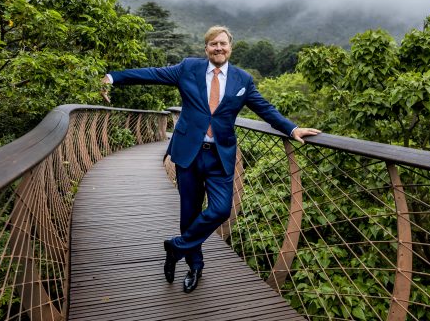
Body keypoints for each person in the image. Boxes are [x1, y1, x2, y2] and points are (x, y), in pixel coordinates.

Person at [100, 25, 320, 293]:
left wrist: (292, 128)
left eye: (223, 44)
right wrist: (113, 78)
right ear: (206, 48)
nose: (218, 48)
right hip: (189, 154)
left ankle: (176, 247)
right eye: (213, 44)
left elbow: (265, 109)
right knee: (189, 214)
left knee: (220, 210)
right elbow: (151, 74)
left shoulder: (243, 80)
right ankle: (195, 266)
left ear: (230, 48)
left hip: (220, 156)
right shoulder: (188, 68)